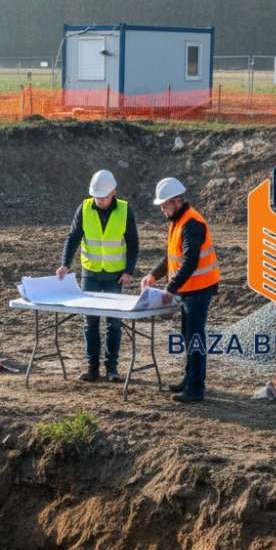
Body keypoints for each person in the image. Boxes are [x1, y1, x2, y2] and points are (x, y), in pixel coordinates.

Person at [141, 177, 219, 403]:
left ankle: (195, 389)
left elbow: (190, 261)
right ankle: (190, 379)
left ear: (176, 201)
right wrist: (153, 275)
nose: (163, 210)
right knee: (188, 336)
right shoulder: (178, 221)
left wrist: (170, 289)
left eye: (165, 205)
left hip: (199, 289)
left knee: (195, 338)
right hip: (189, 289)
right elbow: (172, 256)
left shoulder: (192, 223)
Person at [57, 169, 139, 382]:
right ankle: (92, 367)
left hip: (115, 275)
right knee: (90, 322)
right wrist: (65, 264)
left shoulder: (125, 210)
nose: (100, 201)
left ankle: (112, 369)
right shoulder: (84, 209)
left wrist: (129, 270)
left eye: (104, 197)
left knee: (114, 323)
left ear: (114, 193)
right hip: (91, 274)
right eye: (97, 197)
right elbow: (73, 237)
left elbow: (133, 243)